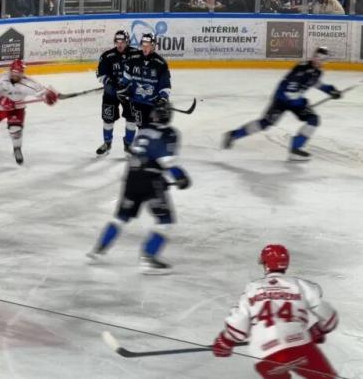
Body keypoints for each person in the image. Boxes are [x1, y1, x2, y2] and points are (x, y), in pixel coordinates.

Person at [87, 103, 190, 273]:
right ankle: (148, 259)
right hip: (151, 181)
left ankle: (98, 250)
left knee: (120, 218)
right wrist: (180, 177)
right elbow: (166, 162)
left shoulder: (143, 131)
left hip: (131, 179)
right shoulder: (169, 133)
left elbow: (143, 157)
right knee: (165, 220)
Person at [213, 244, 339, 379]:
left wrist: (224, 342)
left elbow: (238, 327)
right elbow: (330, 319)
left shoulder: (253, 288)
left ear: (266, 264)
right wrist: (317, 331)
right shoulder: (300, 285)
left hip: (266, 355)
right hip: (300, 347)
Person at [223, 47, 341, 160]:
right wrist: (300, 101)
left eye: (322, 59)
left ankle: (296, 148)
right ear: (314, 56)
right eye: (317, 57)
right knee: (265, 123)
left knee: (313, 120)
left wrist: (330, 90)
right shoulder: (301, 68)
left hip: (296, 102)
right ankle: (233, 135)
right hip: (281, 99)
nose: (319, 61)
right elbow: (290, 89)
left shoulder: (317, 72)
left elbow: (315, 83)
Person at [0, 59, 58, 165]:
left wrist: (48, 96)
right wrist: (0, 100)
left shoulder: (29, 83)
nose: (15, 75)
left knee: (16, 130)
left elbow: (43, 93)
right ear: (10, 71)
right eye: (13, 72)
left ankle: (17, 148)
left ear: (22, 73)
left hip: (17, 108)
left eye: (18, 73)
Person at [118, 32, 172, 139]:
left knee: (153, 129)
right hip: (137, 102)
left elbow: (165, 85)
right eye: (143, 44)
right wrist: (123, 88)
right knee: (142, 128)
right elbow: (126, 77)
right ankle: (136, 148)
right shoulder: (134, 58)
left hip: (152, 103)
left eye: (148, 45)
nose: (145, 47)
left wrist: (163, 98)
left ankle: (152, 150)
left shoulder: (160, 63)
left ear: (153, 46)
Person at [95, 30, 140, 156]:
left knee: (131, 119)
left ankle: (128, 145)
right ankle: (107, 144)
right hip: (111, 94)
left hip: (129, 94)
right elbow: (100, 74)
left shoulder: (136, 54)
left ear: (127, 42)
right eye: (117, 42)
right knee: (108, 119)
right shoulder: (107, 56)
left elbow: (142, 73)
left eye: (123, 42)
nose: (120, 44)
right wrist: (109, 84)